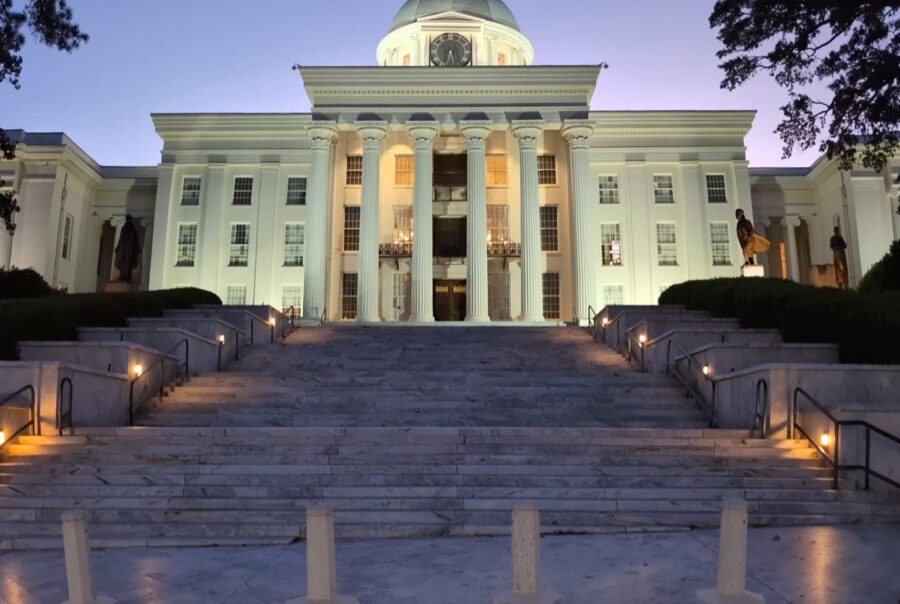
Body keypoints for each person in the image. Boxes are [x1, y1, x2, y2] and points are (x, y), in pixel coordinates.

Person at [114, 214, 141, 282]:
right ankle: (122, 276)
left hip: (130, 249)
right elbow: (120, 238)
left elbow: (136, 239)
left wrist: (138, 247)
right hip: (123, 249)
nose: (128, 220)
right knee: (123, 262)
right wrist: (118, 247)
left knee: (128, 263)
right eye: (127, 219)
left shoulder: (133, 229)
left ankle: (127, 277)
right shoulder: (123, 228)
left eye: (129, 219)